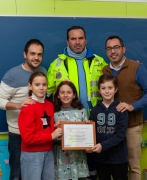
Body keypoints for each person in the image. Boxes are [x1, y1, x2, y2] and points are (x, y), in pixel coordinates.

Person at [47, 26, 107, 179]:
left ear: (85, 40)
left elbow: (112, 86)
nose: (77, 42)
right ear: (67, 41)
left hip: (95, 120)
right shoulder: (57, 64)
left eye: (80, 38)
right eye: (73, 39)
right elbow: (46, 93)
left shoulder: (100, 62)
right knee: (69, 164)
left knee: (94, 163)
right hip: (66, 123)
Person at [102, 35, 147, 180]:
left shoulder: (137, 67)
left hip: (131, 125)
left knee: (133, 166)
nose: (113, 51)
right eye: (109, 48)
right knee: (115, 165)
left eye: (116, 47)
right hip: (111, 128)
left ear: (123, 49)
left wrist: (132, 106)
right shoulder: (104, 70)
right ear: (106, 51)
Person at [0, 39, 47, 180]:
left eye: (39, 54)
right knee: (17, 174)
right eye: (32, 54)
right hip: (18, 135)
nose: (36, 58)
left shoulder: (43, 72)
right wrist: (18, 105)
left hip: (38, 134)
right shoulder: (12, 74)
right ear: (25, 54)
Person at [18, 72, 63, 180]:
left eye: (44, 85)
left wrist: (55, 126)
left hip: (48, 151)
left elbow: (43, 126)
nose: (41, 88)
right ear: (30, 86)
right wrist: (51, 136)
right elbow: (28, 138)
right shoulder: (28, 106)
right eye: (37, 85)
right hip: (32, 154)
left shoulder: (49, 105)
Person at [88, 74, 128, 180]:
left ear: (116, 89)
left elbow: (120, 134)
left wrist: (103, 146)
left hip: (118, 159)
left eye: (110, 88)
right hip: (101, 160)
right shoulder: (95, 110)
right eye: (103, 88)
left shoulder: (121, 109)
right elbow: (92, 133)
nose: (107, 91)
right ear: (99, 90)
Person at [53, 81, 90, 180]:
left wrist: (88, 129)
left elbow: (87, 135)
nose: (65, 95)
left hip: (78, 155)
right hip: (61, 154)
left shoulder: (82, 112)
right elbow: (50, 134)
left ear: (74, 95)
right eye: (62, 92)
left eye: (69, 92)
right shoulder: (54, 113)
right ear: (57, 95)